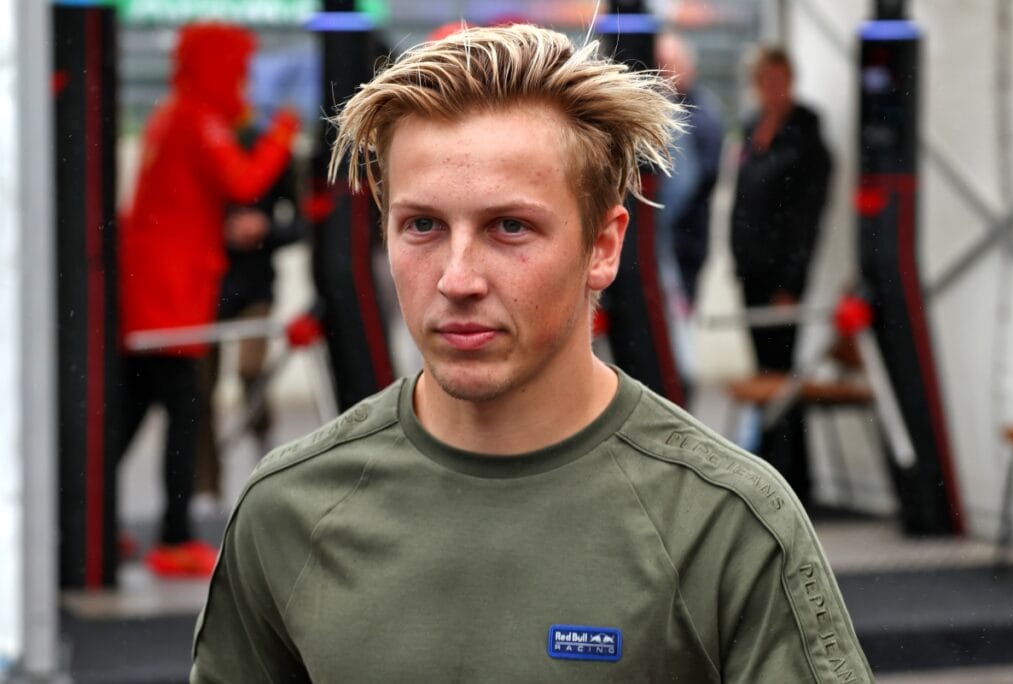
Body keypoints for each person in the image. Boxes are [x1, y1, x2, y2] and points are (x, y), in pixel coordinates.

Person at [192, 25, 868, 681]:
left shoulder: (725, 526)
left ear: (603, 246)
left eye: (509, 227)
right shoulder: (287, 512)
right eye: (421, 225)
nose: (458, 279)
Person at [118, 22, 298, 576]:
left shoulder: (174, 113)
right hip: (171, 292)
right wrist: (283, 133)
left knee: (134, 409)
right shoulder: (197, 117)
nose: (243, 82)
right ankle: (173, 537)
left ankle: (92, 524)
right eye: (238, 70)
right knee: (181, 411)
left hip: (164, 286)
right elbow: (243, 182)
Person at [729, 45, 832, 505]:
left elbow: (808, 218)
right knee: (764, 374)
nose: (772, 89)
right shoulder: (752, 129)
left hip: (783, 277)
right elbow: (742, 199)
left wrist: (792, 280)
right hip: (751, 270)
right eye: (764, 80)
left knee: (784, 378)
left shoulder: (807, 137)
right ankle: (769, 472)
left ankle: (795, 481)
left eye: (779, 80)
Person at [193, 124, 303, 511]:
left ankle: (264, 451)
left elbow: (302, 220)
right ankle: (207, 485)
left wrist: (266, 229)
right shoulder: (199, 146)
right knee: (200, 389)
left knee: (250, 370)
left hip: (256, 287)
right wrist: (217, 230)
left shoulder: (268, 146)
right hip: (206, 289)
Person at [655, 32, 724, 303]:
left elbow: (693, 182)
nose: (663, 71)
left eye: (669, 63)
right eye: (660, 62)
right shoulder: (662, 107)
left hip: (685, 243)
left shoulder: (702, 115)